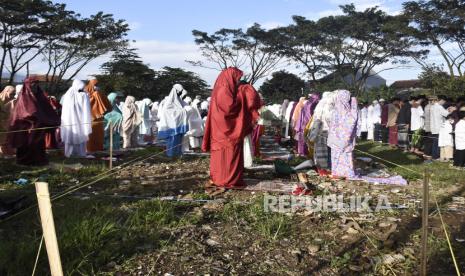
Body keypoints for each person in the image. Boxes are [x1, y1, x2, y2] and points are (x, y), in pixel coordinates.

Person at [202, 67, 250, 190]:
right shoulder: (224, 90)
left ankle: (222, 178)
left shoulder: (224, 88)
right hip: (226, 131)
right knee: (227, 155)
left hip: (222, 131)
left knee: (225, 156)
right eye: (237, 78)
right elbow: (229, 109)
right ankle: (227, 179)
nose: (239, 80)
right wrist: (242, 97)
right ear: (231, 77)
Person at [7, 77, 60, 165]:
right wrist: (36, 116)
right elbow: (25, 112)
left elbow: (47, 109)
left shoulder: (40, 97)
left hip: (39, 127)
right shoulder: (24, 97)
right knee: (26, 144)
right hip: (26, 128)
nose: (34, 87)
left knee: (38, 145)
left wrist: (50, 120)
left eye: (36, 85)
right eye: (32, 85)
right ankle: (25, 161)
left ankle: (38, 160)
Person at [327, 90, 359, 178]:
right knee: (345, 156)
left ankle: (336, 172)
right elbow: (352, 121)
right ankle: (347, 172)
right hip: (345, 140)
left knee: (336, 156)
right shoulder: (349, 112)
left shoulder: (334, 110)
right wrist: (354, 104)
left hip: (334, 139)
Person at [60, 80, 92, 158]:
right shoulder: (84, 95)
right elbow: (86, 109)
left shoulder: (67, 94)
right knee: (80, 135)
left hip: (69, 121)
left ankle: (68, 153)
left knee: (70, 136)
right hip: (80, 120)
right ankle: (80, 153)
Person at [158, 84, 189, 157]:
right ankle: (170, 155)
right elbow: (167, 112)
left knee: (178, 140)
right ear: (176, 91)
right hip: (171, 125)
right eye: (180, 91)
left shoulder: (179, 101)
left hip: (178, 124)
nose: (180, 93)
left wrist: (184, 111)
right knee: (172, 140)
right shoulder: (169, 102)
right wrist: (183, 111)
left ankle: (177, 154)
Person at [308, 91, 335, 175]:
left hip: (317, 129)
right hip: (326, 130)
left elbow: (315, 117)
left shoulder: (320, 104)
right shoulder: (329, 105)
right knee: (327, 151)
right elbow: (330, 118)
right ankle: (328, 169)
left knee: (320, 152)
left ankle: (321, 169)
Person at [85, 78, 112, 153]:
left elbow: (107, 105)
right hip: (89, 119)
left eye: (97, 85)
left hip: (98, 119)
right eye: (95, 85)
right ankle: (90, 149)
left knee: (98, 135)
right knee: (91, 136)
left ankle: (97, 149)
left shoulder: (98, 93)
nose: (97, 86)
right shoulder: (86, 95)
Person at [430, 95, 455, 160]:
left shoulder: (433, 106)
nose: (444, 103)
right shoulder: (439, 107)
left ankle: (434, 155)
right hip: (439, 127)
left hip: (434, 126)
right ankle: (436, 156)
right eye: (444, 102)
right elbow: (446, 114)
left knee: (435, 141)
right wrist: (452, 110)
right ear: (441, 100)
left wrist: (447, 110)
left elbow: (443, 112)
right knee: (438, 142)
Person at [0, 85, 16, 155]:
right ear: (6, 92)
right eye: (11, 94)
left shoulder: (13, 100)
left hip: (6, 123)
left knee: (5, 139)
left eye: (14, 94)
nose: (13, 96)